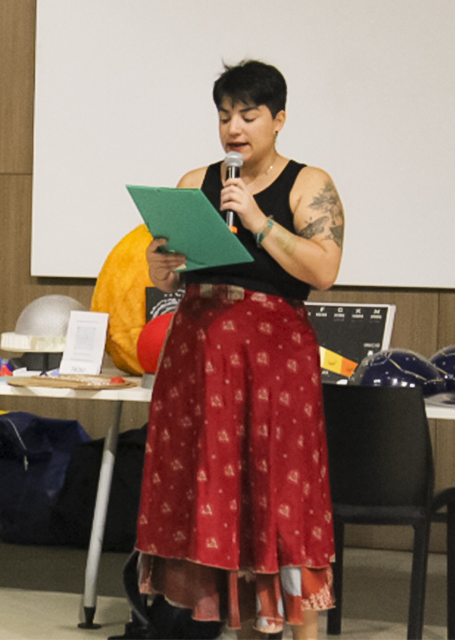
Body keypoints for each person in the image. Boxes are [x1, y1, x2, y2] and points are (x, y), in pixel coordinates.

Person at [133, 60, 344, 640]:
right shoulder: (193, 183)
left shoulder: (309, 183)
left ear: (278, 120)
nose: (234, 128)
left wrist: (258, 221)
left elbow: (324, 270)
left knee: (282, 507)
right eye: (225, 116)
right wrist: (162, 269)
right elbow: (171, 277)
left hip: (273, 365)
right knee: (220, 505)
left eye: (249, 115)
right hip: (200, 359)